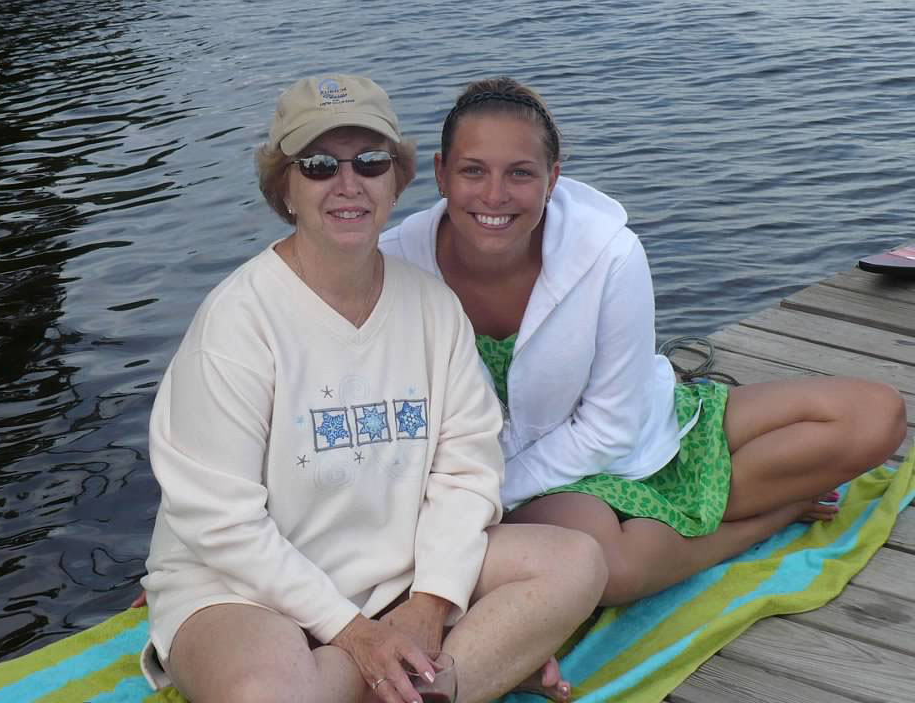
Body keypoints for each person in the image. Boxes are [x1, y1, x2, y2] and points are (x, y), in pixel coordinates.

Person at [138, 74, 607, 703]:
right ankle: (444, 677)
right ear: (285, 187)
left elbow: (468, 465)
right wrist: (353, 633)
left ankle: (417, 671)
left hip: (397, 570)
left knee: (577, 563)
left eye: (370, 161)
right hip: (242, 588)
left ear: (398, 178)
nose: (348, 182)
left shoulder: (433, 308)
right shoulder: (237, 322)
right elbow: (220, 523)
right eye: (320, 164)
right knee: (264, 695)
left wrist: (432, 602)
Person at [379, 76, 908, 606]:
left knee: (875, 414)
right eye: (474, 170)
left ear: (552, 178)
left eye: (520, 173)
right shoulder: (394, 266)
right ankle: (772, 516)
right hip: (521, 482)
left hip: (629, 429)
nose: (495, 195)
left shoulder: (608, 254)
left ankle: (670, 519)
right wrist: (481, 496)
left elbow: (612, 424)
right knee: (604, 570)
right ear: (442, 175)